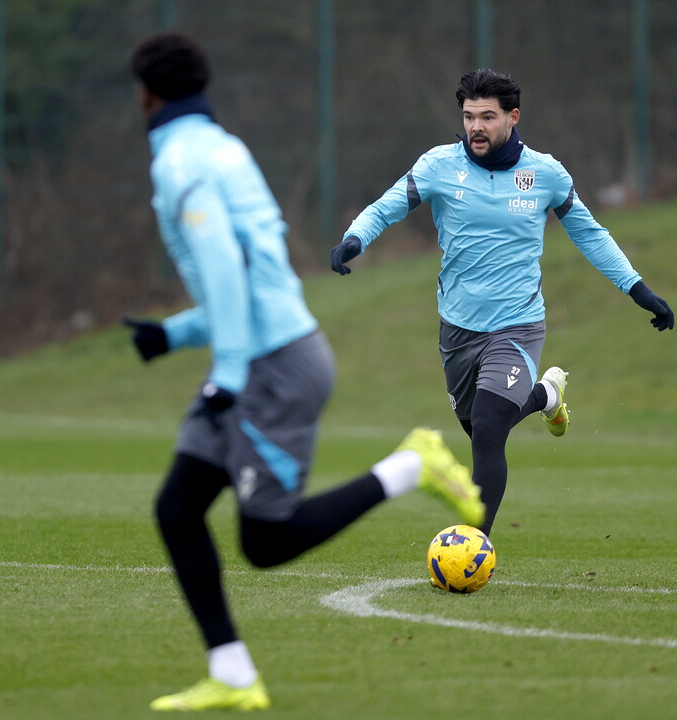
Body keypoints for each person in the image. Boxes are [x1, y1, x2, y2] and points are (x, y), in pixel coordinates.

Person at [124, 33, 484, 713]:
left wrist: (226, 373)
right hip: (273, 353)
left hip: (271, 371)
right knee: (177, 510)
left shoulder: (180, 161)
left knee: (266, 540)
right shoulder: (225, 149)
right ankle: (232, 675)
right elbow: (256, 280)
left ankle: (412, 465)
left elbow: (227, 271)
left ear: (145, 94)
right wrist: (174, 334)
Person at [330, 68, 674, 538]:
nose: (476, 126)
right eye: (469, 116)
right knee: (479, 429)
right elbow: (387, 205)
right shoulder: (438, 166)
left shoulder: (545, 174)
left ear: (513, 117)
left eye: (487, 117)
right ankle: (548, 395)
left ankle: (474, 542)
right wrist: (355, 239)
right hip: (457, 328)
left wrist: (638, 289)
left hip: (518, 325)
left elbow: (591, 235)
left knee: (490, 429)